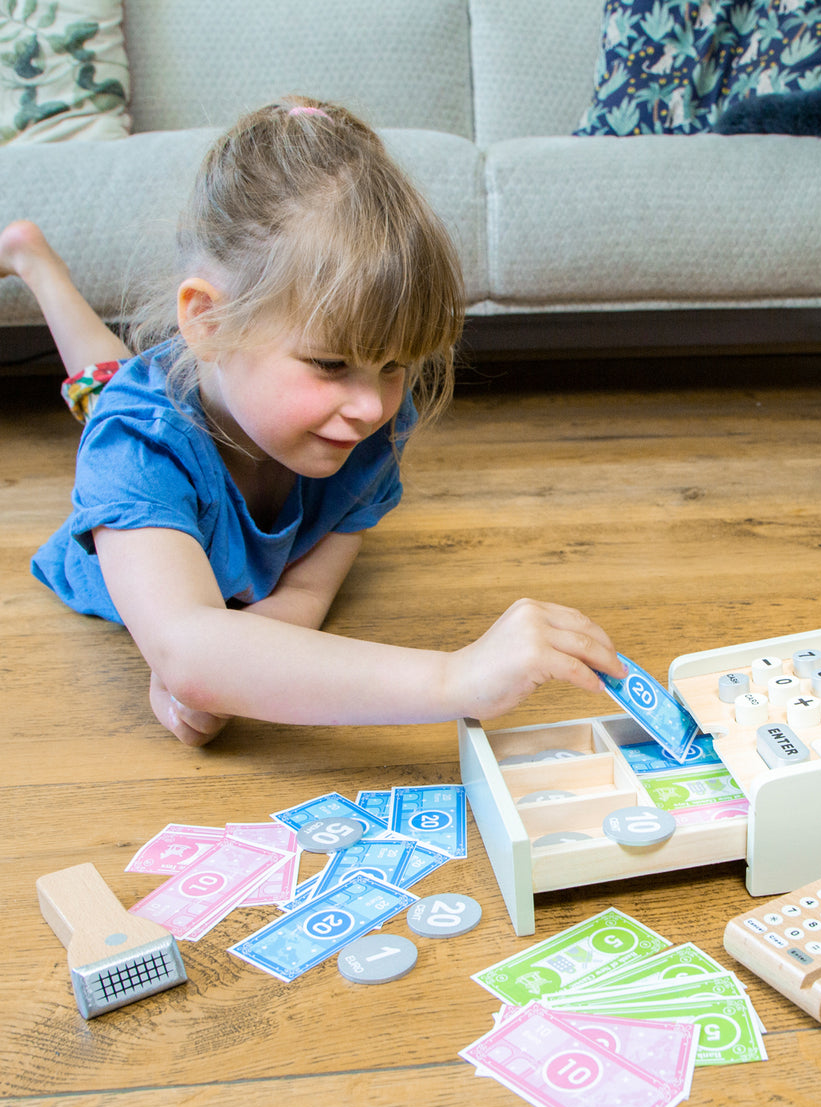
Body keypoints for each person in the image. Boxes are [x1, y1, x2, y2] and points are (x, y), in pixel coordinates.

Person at [1, 97, 623, 746]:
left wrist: (230, 667)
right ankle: (36, 265)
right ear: (209, 323)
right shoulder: (135, 449)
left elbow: (301, 599)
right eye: (330, 363)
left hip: (192, 403)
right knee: (106, 396)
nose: (372, 406)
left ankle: (29, 257)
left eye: (393, 365)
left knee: (109, 386)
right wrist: (455, 676)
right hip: (149, 429)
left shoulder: (367, 422)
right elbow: (188, 648)